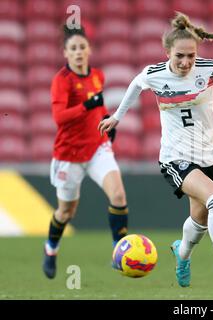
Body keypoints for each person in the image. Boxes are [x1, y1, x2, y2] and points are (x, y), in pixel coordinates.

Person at [98, 12, 213, 292]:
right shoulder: (154, 75)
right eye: (179, 55)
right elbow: (134, 86)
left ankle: (182, 256)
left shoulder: (208, 68)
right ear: (167, 52)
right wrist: (117, 116)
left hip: (209, 155)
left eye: (191, 55)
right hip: (175, 157)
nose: (186, 62)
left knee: (200, 220)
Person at [43, 25, 129, 279]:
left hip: (96, 148)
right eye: (73, 48)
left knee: (119, 195)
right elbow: (59, 118)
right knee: (66, 212)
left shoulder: (97, 76)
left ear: (89, 50)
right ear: (65, 53)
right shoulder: (62, 81)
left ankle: (119, 252)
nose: (79, 52)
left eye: (82, 47)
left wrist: (105, 120)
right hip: (68, 155)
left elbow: (96, 110)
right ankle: (51, 248)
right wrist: (87, 105)